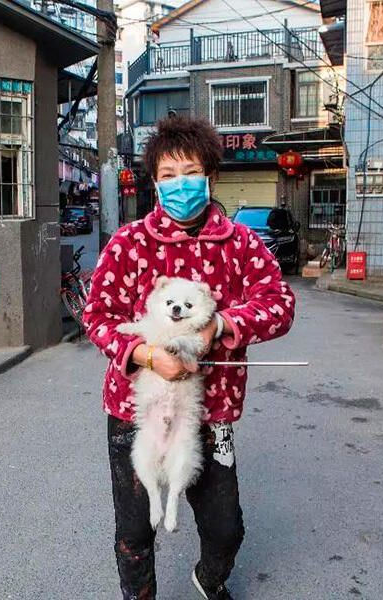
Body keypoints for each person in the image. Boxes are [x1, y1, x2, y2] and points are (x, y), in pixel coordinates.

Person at [82, 115, 295, 600]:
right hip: (136, 410)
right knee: (135, 533)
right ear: (155, 182)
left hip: (211, 410)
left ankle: (209, 577)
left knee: (226, 529)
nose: (181, 185)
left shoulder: (241, 245)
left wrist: (220, 325)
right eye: (169, 176)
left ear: (211, 177)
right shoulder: (128, 244)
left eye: (191, 173)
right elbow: (97, 317)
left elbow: (280, 306)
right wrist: (145, 353)